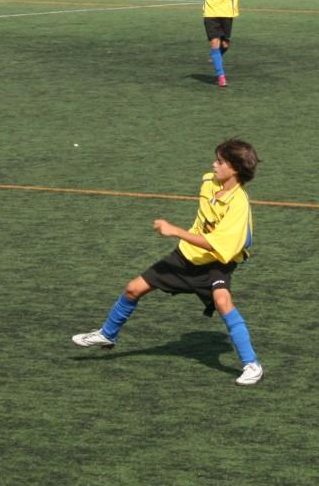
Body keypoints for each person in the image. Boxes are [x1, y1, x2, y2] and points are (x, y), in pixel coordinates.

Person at [72, 139, 264, 386]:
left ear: (235, 168)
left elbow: (217, 245)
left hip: (216, 261)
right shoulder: (208, 182)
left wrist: (174, 230)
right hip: (187, 255)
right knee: (133, 288)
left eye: (220, 161)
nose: (213, 164)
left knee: (222, 301)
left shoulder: (239, 205)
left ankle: (252, 365)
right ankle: (107, 335)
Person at [193, 0, 245, 88]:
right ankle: (221, 76)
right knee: (214, 43)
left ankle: (216, 56)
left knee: (225, 44)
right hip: (210, 12)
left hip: (227, 10)